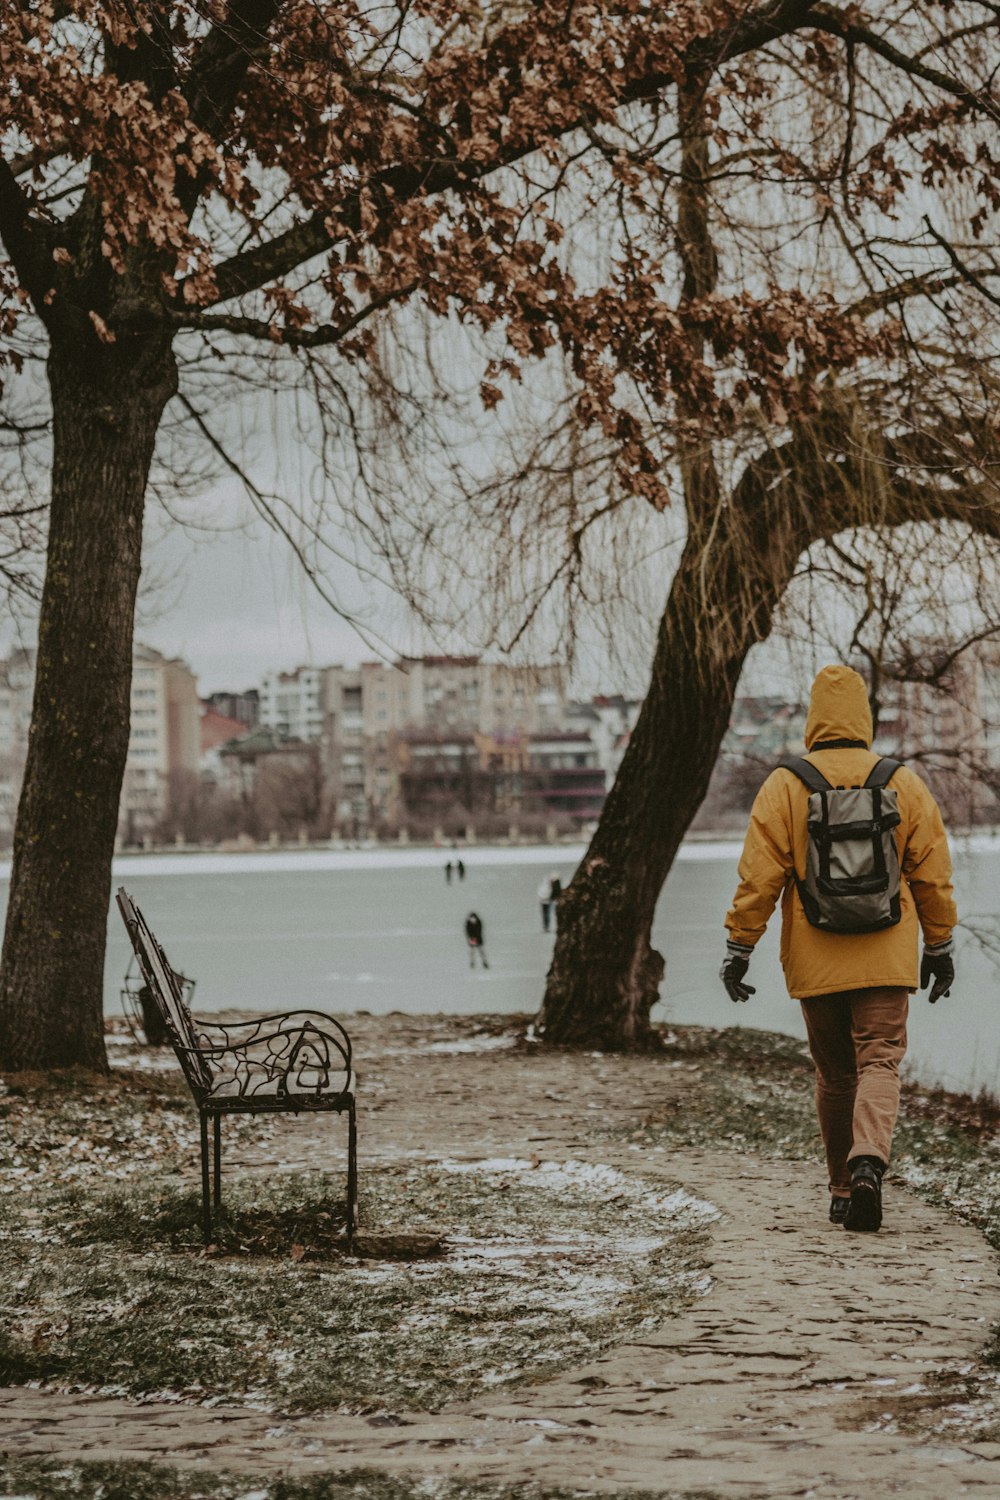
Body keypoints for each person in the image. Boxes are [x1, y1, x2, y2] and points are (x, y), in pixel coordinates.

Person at [721, 664, 957, 1233]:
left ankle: (842, 1189)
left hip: (816, 953)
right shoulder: (902, 782)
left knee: (835, 1076)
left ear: (813, 719)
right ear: (864, 717)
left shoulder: (785, 785)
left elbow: (760, 878)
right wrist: (940, 944)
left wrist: (739, 946)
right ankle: (869, 1160)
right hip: (886, 952)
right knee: (879, 1061)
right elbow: (932, 873)